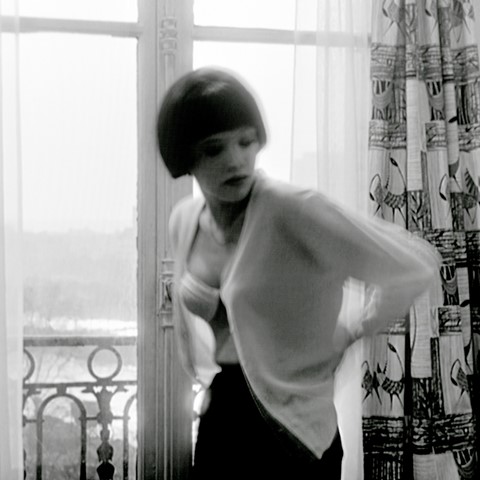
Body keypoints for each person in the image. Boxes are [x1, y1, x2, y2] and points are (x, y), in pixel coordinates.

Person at [156, 67, 440, 479]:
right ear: (185, 157)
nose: (236, 160)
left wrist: (349, 333)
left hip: (293, 425)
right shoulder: (184, 221)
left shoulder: (292, 209)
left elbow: (412, 266)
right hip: (224, 413)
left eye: (246, 141)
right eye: (214, 149)